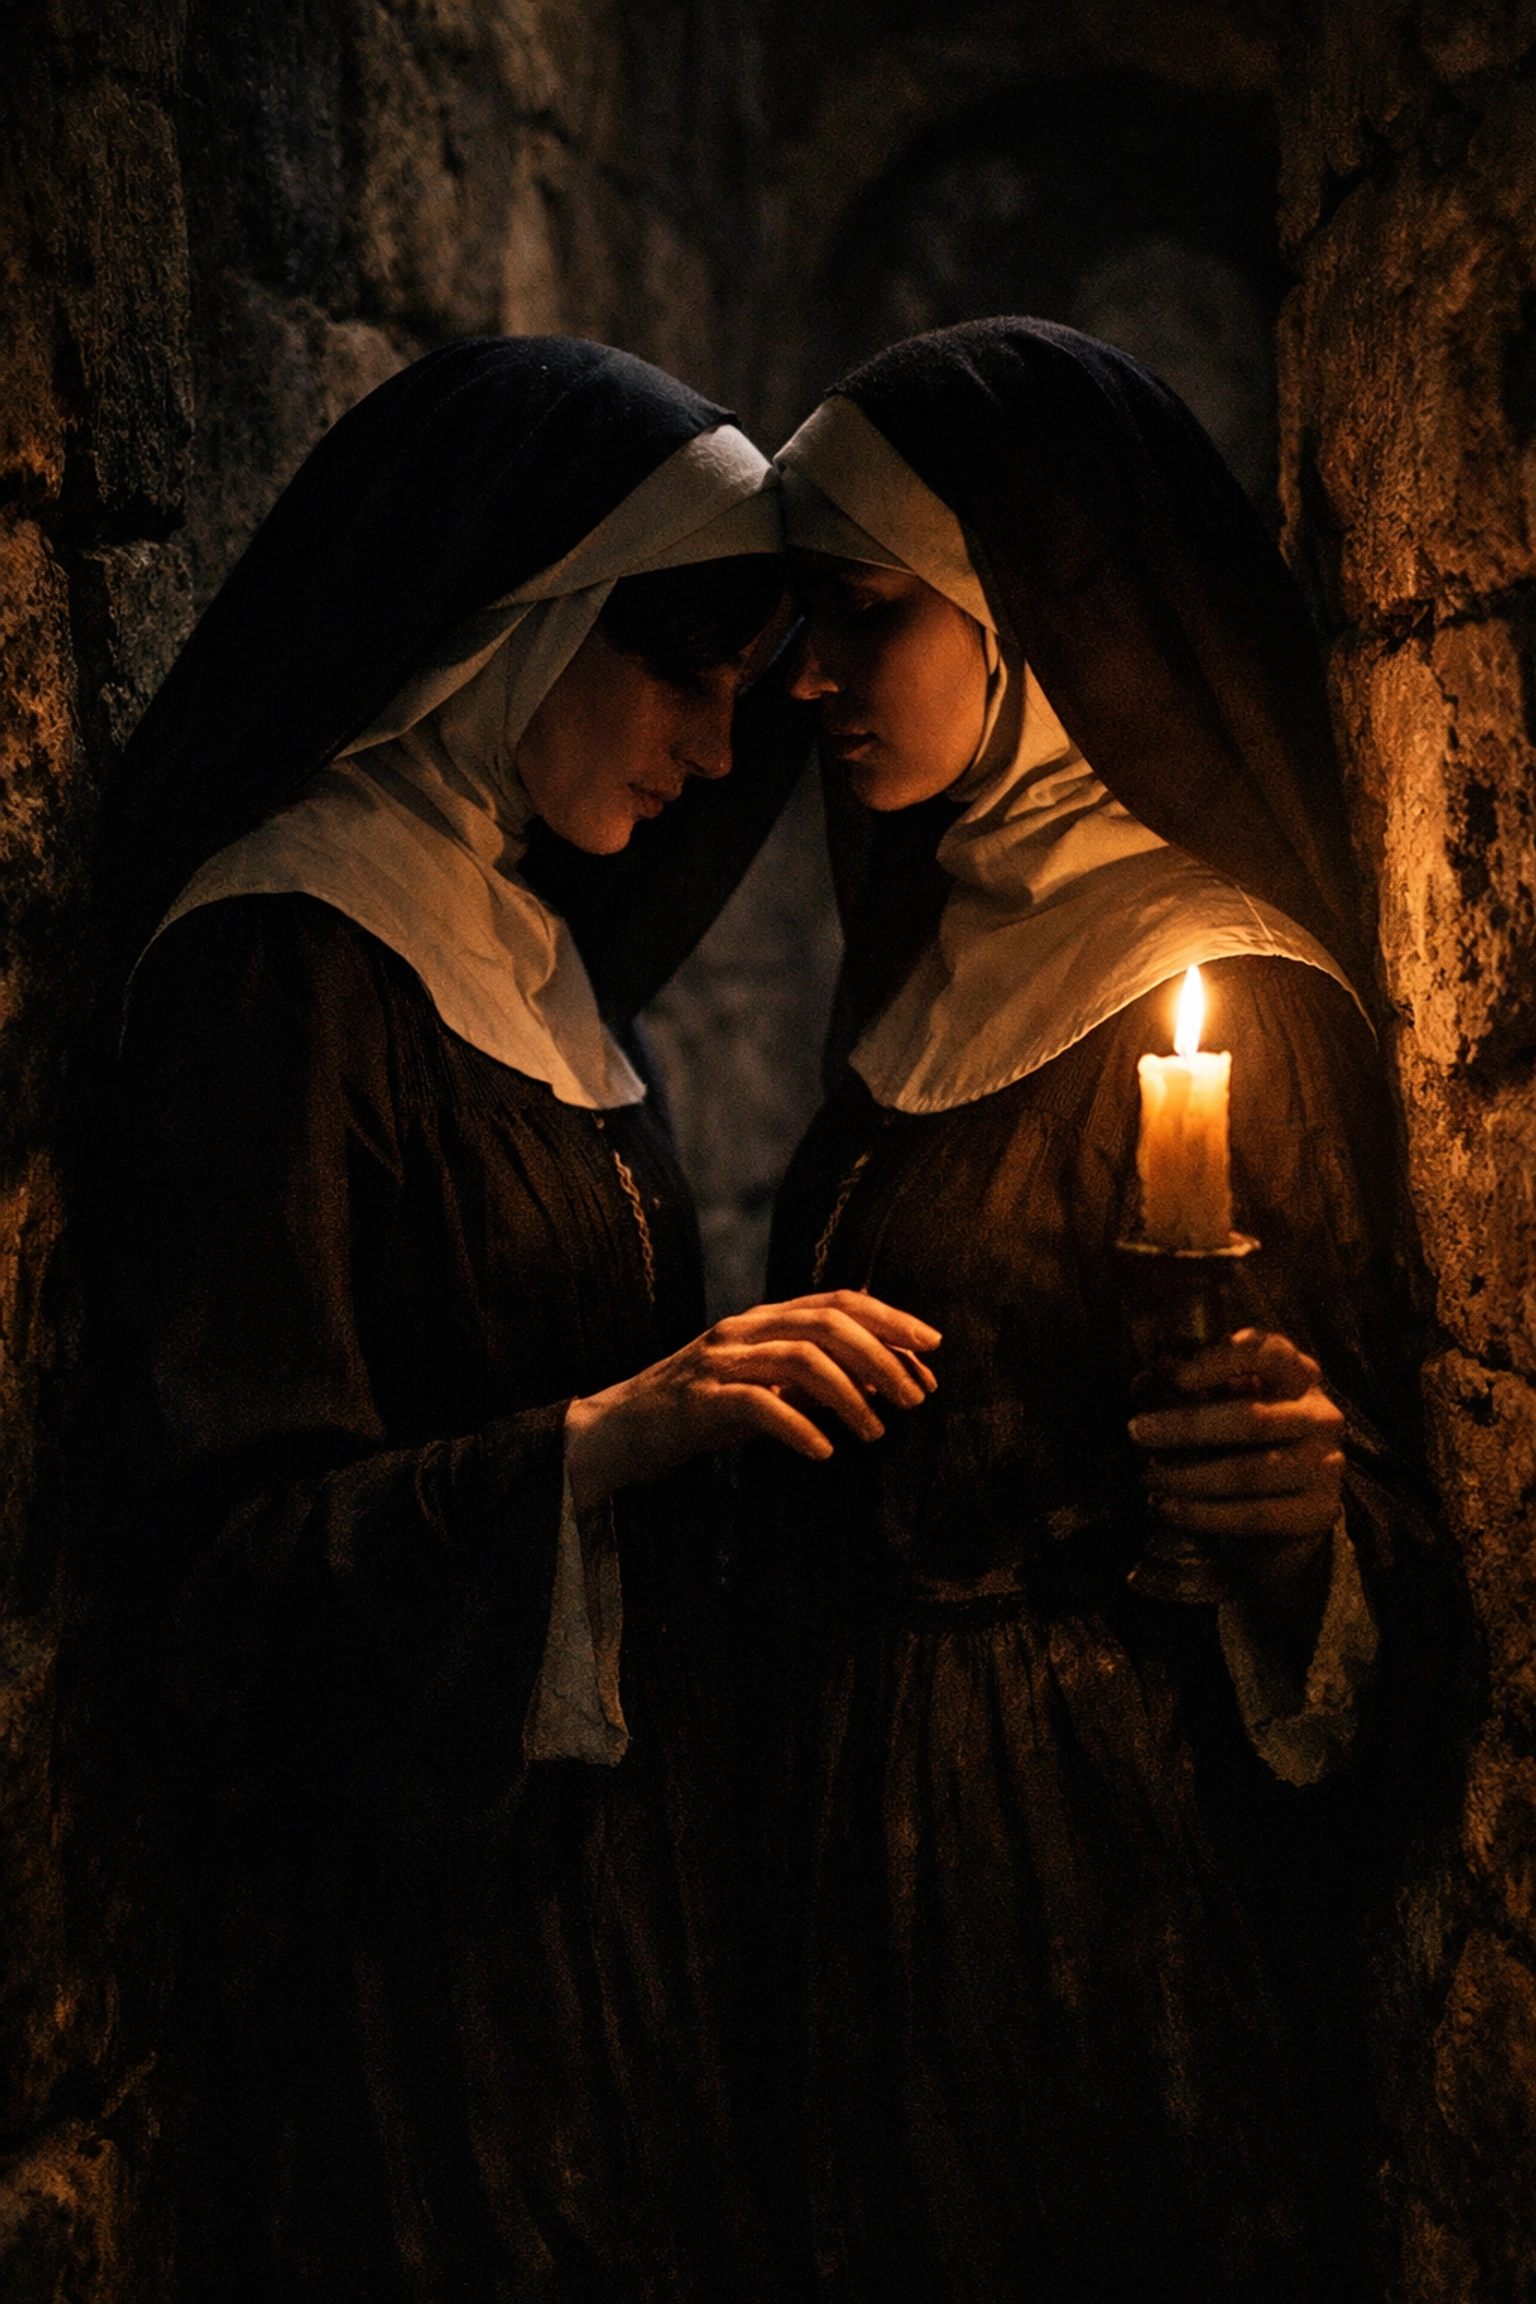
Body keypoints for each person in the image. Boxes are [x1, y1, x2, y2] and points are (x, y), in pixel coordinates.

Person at [103, 335, 939, 2303]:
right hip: (407, 1938)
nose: (721, 757)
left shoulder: (533, 952)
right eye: (686, 680)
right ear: (525, 625)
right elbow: (224, 1574)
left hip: (601, 1888)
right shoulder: (280, 968)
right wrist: (609, 1444)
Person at [747, 319, 1452, 2303]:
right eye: (800, 613)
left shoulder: (1217, 992)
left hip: (1081, 1863)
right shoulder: (937, 936)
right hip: (846, 1825)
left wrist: (1296, 1522)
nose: (807, 673)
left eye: (864, 611)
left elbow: (1348, 1495)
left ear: (1026, 617)